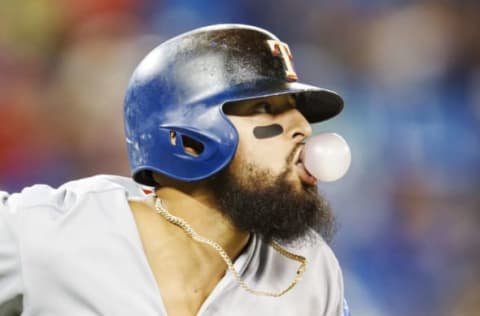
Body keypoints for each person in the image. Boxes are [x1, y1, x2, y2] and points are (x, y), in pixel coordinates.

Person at [0, 24, 350, 316]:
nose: (303, 127)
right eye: (265, 107)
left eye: (295, 109)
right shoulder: (53, 232)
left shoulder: (310, 271)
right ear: (188, 141)